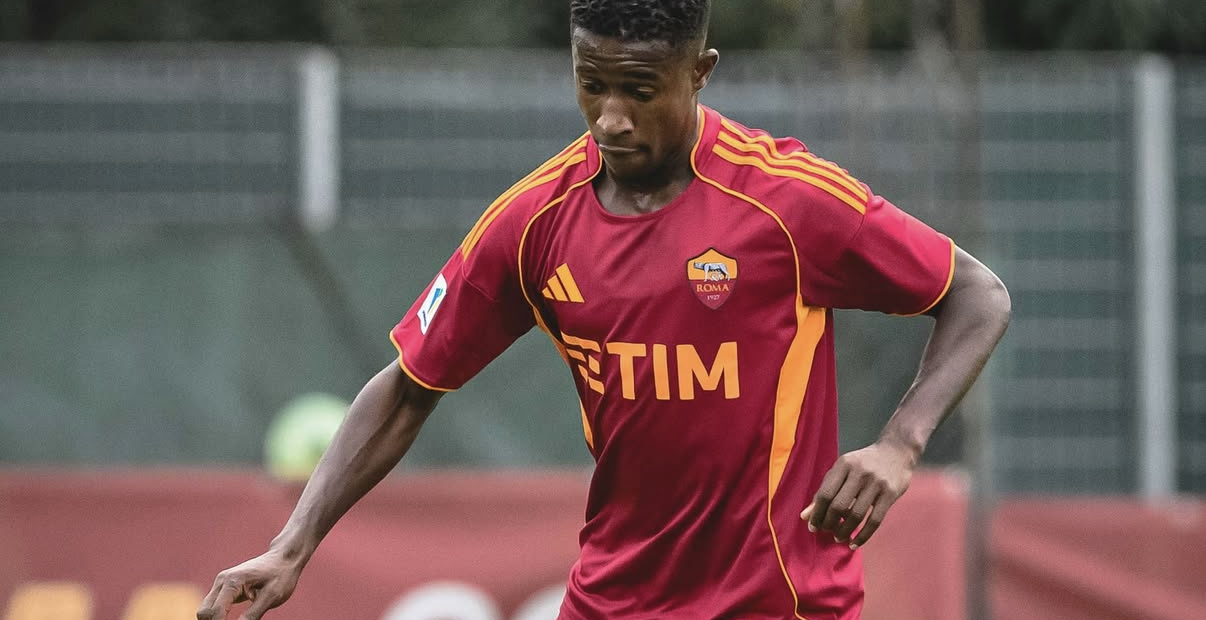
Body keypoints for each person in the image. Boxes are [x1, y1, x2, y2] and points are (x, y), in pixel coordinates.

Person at [197, 1, 1010, 619]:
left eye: (640, 90)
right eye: (592, 84)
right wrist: (292, 546)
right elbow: (411, 385)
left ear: (700, 72)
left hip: (780, 603)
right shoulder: (534, 223)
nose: (611, 117)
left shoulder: (787, 202)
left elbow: (977, 294)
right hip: (613, 602)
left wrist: (901, 444)